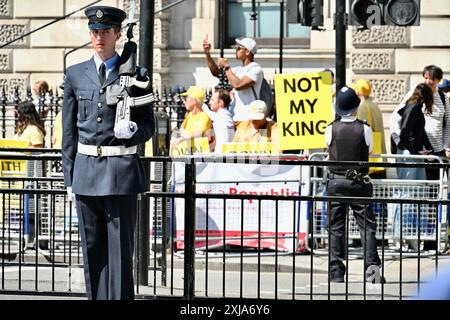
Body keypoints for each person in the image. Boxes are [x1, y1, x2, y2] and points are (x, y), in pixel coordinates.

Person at [61, 5, 155, 300]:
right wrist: (68, 178)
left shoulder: (136, 74)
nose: (99, 37)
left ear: (117, 34)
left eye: (105, 32)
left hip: (121, 172)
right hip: (86, 171)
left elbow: (148, 124)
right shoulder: (76, 74)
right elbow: (68, 133)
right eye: (94, 32)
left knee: (120, 253)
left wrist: (134, 133)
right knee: (93, 251)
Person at [325, 86, 383, 283]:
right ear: (356, 107)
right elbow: (371, 150)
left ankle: (336, 273)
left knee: (335, 228)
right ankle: (372, 273)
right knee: (367, 228)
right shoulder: (364, 128)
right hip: (359, 183)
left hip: (335, 183)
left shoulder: (329, 128)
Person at [391, 83, 434, 251]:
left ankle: (409, 236)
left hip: (411, 154)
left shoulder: (412, 106)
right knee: (409, 194)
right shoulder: (414, 107)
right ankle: (404, 236)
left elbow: (418, 133)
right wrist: (416, 152)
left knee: (413, 194)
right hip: (409, 155)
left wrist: (428, 150)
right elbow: (404, 133)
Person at [390, 65, 450, 180]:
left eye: (432, 78)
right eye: (426, 78)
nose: (428, 81)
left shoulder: (443, 97)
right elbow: (395, 116)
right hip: (419, 151)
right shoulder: (415, 93)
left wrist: (446, 147)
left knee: (435, 189)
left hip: (437, 152)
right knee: (420, 188)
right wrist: (400, 141)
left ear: (438, 80)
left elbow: (448, 125)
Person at [203, 35, 263, 122]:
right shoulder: (238, 70)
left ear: (247, 52)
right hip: (236, 118)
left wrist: (227, 66)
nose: (236, 50)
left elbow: (238, 85)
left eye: (239, 48)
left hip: (249, 119)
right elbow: (216, 73)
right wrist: (207, 54)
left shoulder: (256, 69)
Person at [352, 79, 387, 179]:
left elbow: (360, 131)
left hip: (370, 159)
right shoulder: (375, 106)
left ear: (357, 91)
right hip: (379, 156)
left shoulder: (363, 107)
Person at [171, 86, 213, 151]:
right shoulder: (189, 115)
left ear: (194, 101)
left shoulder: (205, 116)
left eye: (185, 99)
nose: (183, 102)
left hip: (201, 155)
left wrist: (182, 138)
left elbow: (198, 134)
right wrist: (186, 136)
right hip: (189, 151)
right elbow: (182, 130)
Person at [201, 88, 234, 153]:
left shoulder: (223, 116)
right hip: (222, 154)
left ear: (221, 103)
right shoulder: (222, 115)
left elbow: (211, 114)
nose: (210, 102)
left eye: (212, 100)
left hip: (223, 156)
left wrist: (202, 105)